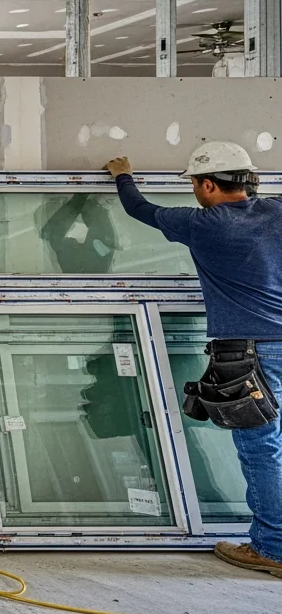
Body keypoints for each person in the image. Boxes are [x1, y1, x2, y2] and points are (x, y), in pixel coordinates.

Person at [107, 142, 282, 575]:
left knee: (263, 450)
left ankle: (273, 549)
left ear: (207, 184)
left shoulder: (204, 224)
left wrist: (121, 175)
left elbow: (139, 209)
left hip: (250, 352)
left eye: (194, 184)